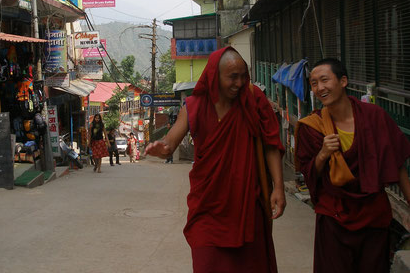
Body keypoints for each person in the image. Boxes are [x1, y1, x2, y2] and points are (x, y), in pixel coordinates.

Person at [145, 46, 286, 272]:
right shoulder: (195, 105)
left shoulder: (253, 99)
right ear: (215, 76)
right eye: (232, 77)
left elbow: (271, 144)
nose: (239, 83)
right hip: (208, 207)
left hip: (248, 203)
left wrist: (278, 187)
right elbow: (171, 141)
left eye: (243, 76)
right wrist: (162, 148)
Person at [295, 58, 410, 273]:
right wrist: (322, 154)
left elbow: (397, 162)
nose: (320, 88)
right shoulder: (313, 126)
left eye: (324, 80)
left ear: (343, 81)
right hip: (334, 217)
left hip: (373, 215)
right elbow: (308, 173)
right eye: (313, 83)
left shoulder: (374, 117)